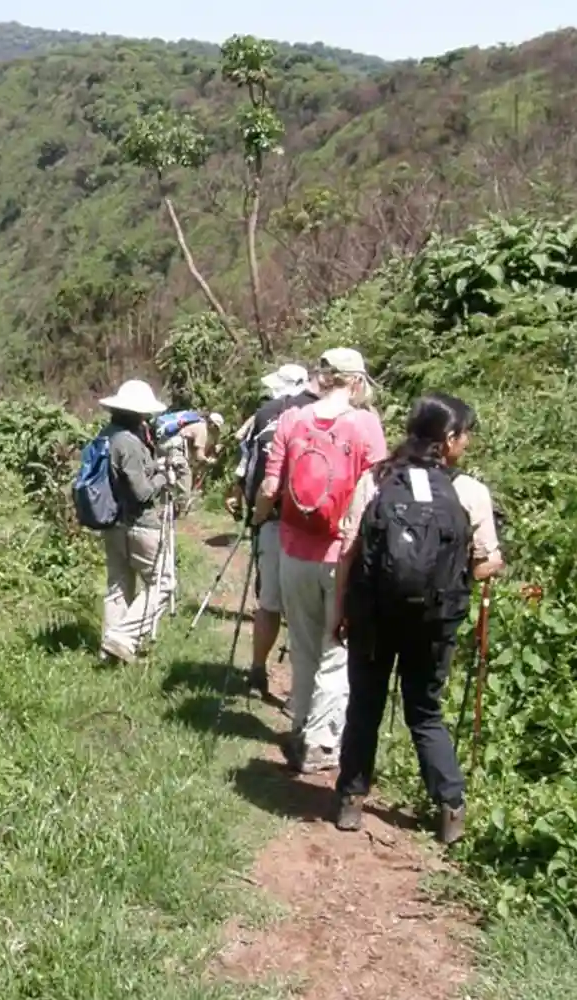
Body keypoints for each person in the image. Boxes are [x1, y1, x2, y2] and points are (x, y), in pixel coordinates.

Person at [332, 393, 503, 845]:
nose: (466, 443)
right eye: (464, 435)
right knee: (425, 713)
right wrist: (474, 567)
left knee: (364, 707)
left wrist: (341, 611)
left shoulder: (378, 480)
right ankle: (450, 808)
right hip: (433, 623)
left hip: (373, 615)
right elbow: (484, 563)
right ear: (448, 439)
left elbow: (348, 553)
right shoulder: (470, 491)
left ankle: (351, 801)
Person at [251, 349, 387, 775]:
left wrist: (255, 519)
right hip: (342, 553)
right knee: (337, 650)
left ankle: (299, 729)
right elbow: (374, 494)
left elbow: (271, 485)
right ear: (357, 382)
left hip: (293, 548)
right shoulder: (366, 424)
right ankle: (322, 742)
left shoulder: (293, 419)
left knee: (306, 646)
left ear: (323, 378)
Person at [227, 363, 315, 696]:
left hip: (273, 520)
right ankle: (302, 689)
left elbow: (249, 463)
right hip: (317, 528)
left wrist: (251, 508)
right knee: (307, 612)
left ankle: (257, 670)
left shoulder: (264, 414)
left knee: (269, 603)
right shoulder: (326, 414)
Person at [95, 379, 173, 664]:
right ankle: (125, 637)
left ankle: (109, 651)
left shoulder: (107, 435)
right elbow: (142, 492)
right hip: (139, 523)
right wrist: (165, 476)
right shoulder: (128, 442)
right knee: (163, 583)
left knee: (118, 586)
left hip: (113, 523)